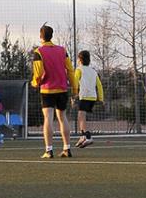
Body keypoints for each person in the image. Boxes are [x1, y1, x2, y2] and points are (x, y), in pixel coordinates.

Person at [30, 24, 76, 158]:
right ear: (52, 35)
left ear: (40, 36)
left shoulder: (39, 52)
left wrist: (35, 83)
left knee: (48, 118)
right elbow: (70, 70)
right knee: (63, 118)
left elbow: (38, 73)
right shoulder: (62, 50)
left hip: (47, 90)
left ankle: (49, 150)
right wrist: (75, 87)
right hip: (62, 89)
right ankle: (67, 148)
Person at [72, 50, 104, 148]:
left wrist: (74, 95)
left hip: (85, 96)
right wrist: (101, 98)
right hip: (93, 97)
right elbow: (99, 85)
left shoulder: (79, 69)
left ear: (79, 60)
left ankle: (88, 136)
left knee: (81, 116)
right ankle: (82, 137)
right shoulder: (93, 71)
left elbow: (75, 82)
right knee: (81, 116)